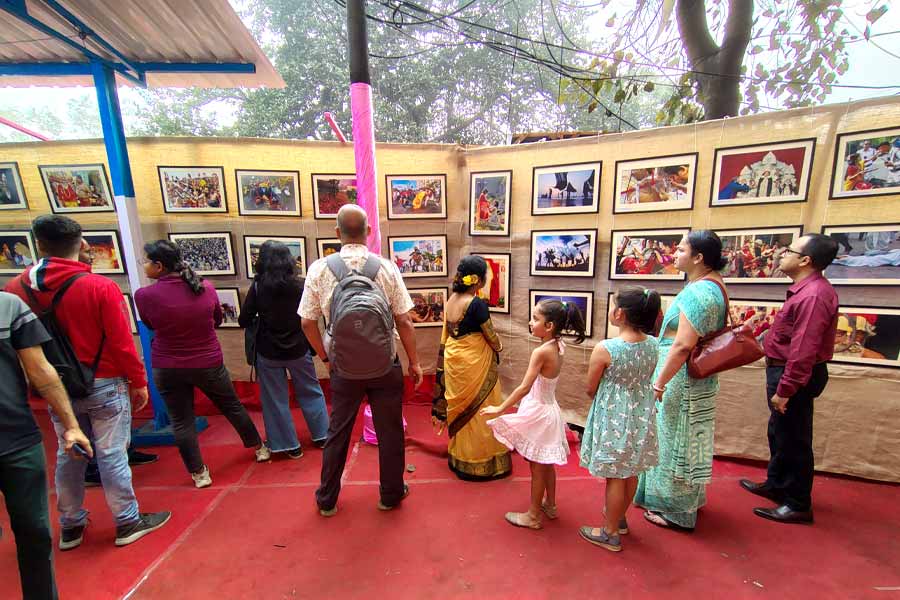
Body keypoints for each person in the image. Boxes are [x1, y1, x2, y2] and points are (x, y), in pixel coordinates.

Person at [5, 215, 171, 549]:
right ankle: (127, 521)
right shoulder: (99, 287)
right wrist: (139, 380)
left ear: (39, 245)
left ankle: (70, 525)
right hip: (105, 380)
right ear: (81, 244)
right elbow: (121, 341)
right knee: (112, 454)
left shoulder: (14, 290)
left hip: (55, 386)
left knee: (69, 453)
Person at [300, 204, 423, 517]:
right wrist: (415, 362)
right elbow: (405, 321)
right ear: (369, 232)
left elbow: (307, 322)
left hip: (343, 365)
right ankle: (391, 495)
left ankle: (327, 499)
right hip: (385, 364)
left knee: (338, 431)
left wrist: (326, 357)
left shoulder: (319, 269)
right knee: (390, 430)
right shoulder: (385, 267)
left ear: (337, 232)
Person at [134, 240, 269, 489]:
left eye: (145, 261)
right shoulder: (204, 288)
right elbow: (216, 319)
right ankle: (259, 448)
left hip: (168, 364)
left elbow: (150, 324)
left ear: (159, 265)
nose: (143, 266)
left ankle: (199, 474)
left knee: (181, 420)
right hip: (206, 360)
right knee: (231, 405)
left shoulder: (145, 295)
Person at [740, 234, 839, 524]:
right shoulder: (805, 290)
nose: (782, 255)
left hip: (793, 374)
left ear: (806, 260)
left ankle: (797, 503)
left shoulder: (814, 295)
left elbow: (804, 349)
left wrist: (786, 388)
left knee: (794, 438)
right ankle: (778, 486)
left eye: (789, 251)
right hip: (783, 370)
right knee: (780, 432)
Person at [0, 291, 93, 600]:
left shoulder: (8, 305)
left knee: (35, 535)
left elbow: (41, 369)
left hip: (16, 438)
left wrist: (72, 426)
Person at [634, 230, 729, 532]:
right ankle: (689, 500)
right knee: (691, 438)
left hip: (681, 378)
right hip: (696, 378)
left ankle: (675, 510)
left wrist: (659, 382)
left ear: (698, 257)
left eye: (682, 250)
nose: (675, 254)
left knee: (673, 438)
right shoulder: (713, 285)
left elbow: (682, 345)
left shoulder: (697, 292)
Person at [481, 300, 585, 530]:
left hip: (540, 412)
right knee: (545, 464)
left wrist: (500, 408)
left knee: (538, 467)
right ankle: (550, 504)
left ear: (549, 326)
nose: (530, 322)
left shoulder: (542, 351)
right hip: (547, 410)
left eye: (535, 318)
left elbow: (524, 387)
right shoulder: (558, 345)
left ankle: (533, 515)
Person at [579, 287, 661, 552]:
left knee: (615, 475)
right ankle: (620, 518)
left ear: (620, 313)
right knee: (631, 469)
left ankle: (609, 532)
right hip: (641, 414)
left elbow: (591, 387)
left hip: (614, 414)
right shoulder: (653, 344)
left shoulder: (606, 348)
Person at [239, 240, 329, 458]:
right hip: (299, 347)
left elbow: (244, 319)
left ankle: (289, 446)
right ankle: (322, 436)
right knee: (311, 391)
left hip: (268, 350)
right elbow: (311, 317)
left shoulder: (259, 286)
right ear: (289, 260)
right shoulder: (301, 285)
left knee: (275, 399)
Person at [431, 256, 512, 481]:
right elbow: (492, 337)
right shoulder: (476, 304)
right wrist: (500, 347)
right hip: (477, 363)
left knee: (462, 409)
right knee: (483, 408)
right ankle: (484, 460)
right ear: (478, 280)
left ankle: (461, 457)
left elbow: (449, 333)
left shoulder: (451, 299)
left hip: (455, 361)